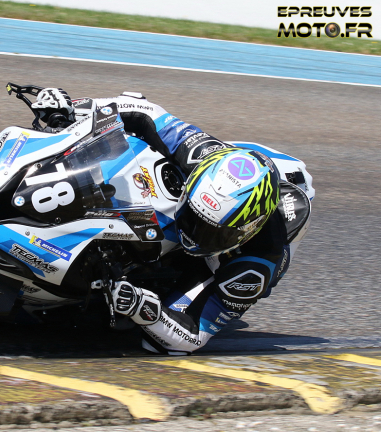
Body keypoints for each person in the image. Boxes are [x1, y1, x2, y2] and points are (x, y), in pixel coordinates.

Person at [30, 88, 312, 355]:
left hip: (220, 264)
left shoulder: (257, 264)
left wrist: (146, 310)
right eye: (193, 217)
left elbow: (191, 338)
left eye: (210, 232)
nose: (192, 233)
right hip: (230, 173)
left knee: (155, 342)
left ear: (245, 231)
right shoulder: (202, 153)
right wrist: (75, 110)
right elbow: (142, 110)